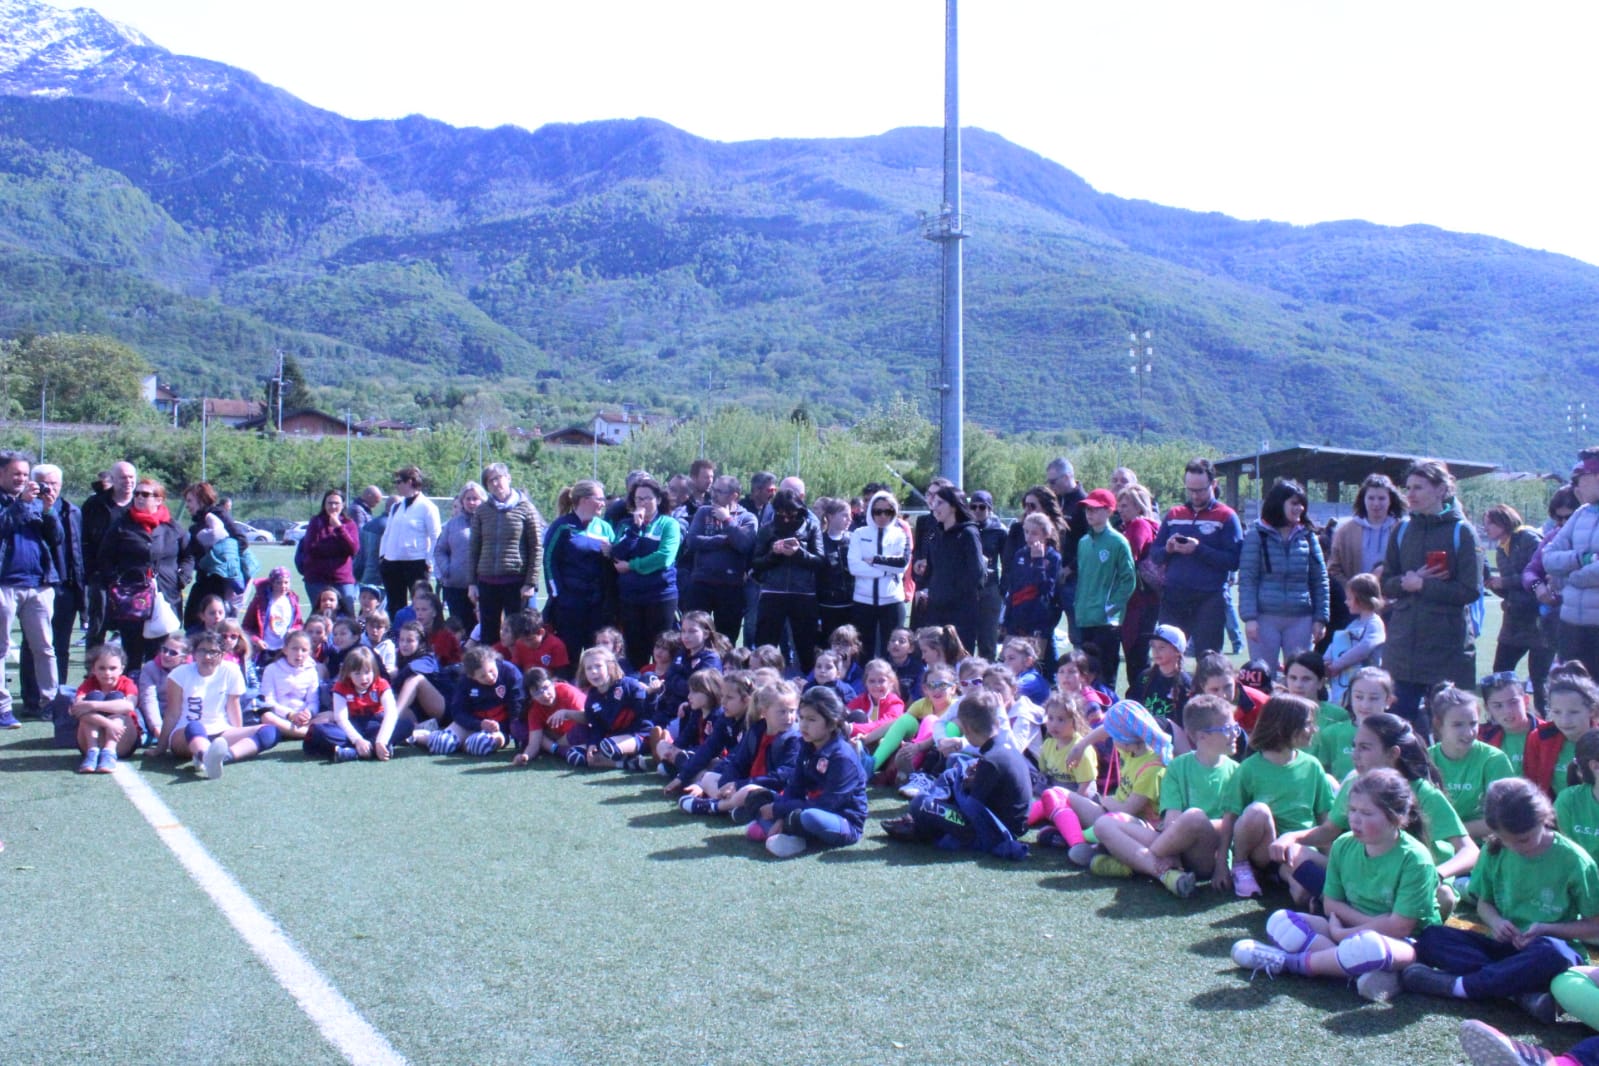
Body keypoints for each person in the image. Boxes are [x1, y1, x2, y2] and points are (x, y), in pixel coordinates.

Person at [1229, 767, 1440, 1002]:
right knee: (1280, 921)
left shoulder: (1415, 859)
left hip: (1405, 943)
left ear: (1396, 818)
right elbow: (1331, 905)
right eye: (1352, 810)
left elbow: (1399, 927)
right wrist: (1346, 933)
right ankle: (1361, 969)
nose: (1355, 820)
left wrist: (1344, 933)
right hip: (1346, 930)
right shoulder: (1343, 844)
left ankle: (1289, 963)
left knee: (1372, 947)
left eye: (1367, 813)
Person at [1404, 777, 1599, 1024]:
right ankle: (1520, 994)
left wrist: (1546, 929)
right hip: (1506, 949)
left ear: (1543, 819)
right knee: (1433, 936)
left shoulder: (1574, 861)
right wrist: (1496, 922)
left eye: (1524, 839)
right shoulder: (1494, 850)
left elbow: (1594, 926)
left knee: (1554, 953)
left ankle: (1461, 986)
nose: (1516, 847)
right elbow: (1484, 904)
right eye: (1507, 839)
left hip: (1547, 950)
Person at [1090, 694, 1240, 898]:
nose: (1235, 734)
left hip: (1205, 855)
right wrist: (1174, 846)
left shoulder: (1237, 772)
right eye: (1228, 729)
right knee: (1103, 824)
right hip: (1171, 844)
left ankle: (1132, 860)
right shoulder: (1177, 766)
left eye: (1235, 727)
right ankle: (1166, 874)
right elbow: (1171, 821)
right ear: (1202, 736)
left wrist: (1221, 862)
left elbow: (1233, 824)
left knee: (1194, 817)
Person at [1380, 460, 1484, 741]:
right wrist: (1405, 583)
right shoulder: (1402, 530)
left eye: (1418, 487)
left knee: (1449, 732)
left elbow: (1470, 590)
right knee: (1397, 731)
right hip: (1402, 651)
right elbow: (1385, 583)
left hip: (1447, 651)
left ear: (1440, 490)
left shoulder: (1461, 531)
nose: (1410, 494)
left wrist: (1423, 585)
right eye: (1408, 488)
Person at [881, 688, 1031, 857]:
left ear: (967, 729)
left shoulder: (992, 760)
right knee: (954, 770)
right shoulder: (1002, 745)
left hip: (993, 830)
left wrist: (964, 786)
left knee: (921, 804)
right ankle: (922, 823)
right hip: (1002, 818)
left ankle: (919, 827)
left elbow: (973, 810)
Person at [1216, 694, 1332, 898]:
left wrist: (1330, 861)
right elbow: (1230, 819)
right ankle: (1242, 868)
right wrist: (1221, 864)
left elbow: (1325, 820)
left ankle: (1304, 894)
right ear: (1284, 726)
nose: (1314, 729)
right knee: (1258, 811)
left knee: (1302, 893)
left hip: (1298, 849)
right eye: (1307, 724)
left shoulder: (1312, 766)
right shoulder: (1249, 768)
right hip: (1265, 851)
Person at [744, 685, 869, 858]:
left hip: (841, 821)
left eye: (811, 719)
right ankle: (784, 831)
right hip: (805, 808)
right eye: (801, 717)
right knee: (756, 797)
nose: (803, 724)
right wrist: (779, 812)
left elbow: (827, 805)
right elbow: (795, 788)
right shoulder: (807, 745)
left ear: (831, 723)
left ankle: (784, 833)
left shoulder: (842, 757)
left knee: (810, 817)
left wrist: (780, 810)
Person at [1151, 458, 1243, 657]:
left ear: (1214, 484)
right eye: (1190, 490)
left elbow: (1233, 560)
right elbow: (1155, 555)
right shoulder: (1174, 514)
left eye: (1200, 490)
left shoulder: (1226, 516)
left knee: (1208, 659)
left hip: (1209, 598)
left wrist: (1199, 549)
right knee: (1167, 657)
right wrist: (1168, 549)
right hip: (1174, 597)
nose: (1195, 495)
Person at [156, 632, 279, 780]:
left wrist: (238, 732)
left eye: (213, 652)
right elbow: (172, 713)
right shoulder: (179, 674)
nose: (207, 657)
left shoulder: (231, 670)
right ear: (194, 654)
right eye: (202, 651)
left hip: (220, 731)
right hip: (185, 734)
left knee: (270, 732)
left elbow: (233, 706)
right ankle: (205, 755)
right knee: (195, 726)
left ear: (222, 655)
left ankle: (223, 757)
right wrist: (161, 747)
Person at [97, 477, 190, 672]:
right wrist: (115, 582)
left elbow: (188, 555)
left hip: (164, 596)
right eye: (137, 493)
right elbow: (104, 558)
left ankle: (157, 689)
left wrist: (182, 578)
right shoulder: (122, 525)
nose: (139, 497)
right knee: (132, 652)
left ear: (159, 500)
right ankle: (132, 687)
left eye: (145, 494)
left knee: (160, 653)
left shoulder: (172, 527)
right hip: (131, 598)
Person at [1238, 479, 1330, 673]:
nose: (1300, 508)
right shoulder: (1257, 535)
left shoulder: (1308, 536)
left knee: (1300, 674)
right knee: (1263, 675)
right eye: (1294, 503)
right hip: (1265, 618)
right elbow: (1247, 579)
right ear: (1279, 503)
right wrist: (1250, 618)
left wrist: (1320, 618)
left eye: (1301, 504)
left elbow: (1320, 580)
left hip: (1301, 618)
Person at [0, 450, 61, 730]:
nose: (22, 479)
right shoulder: (18, 502)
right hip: (5, 584)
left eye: (25, 474)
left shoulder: (35, 502)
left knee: (45, 648)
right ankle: (3, 707)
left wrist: (48, 510)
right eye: (16, 474)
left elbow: (56, 538)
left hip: (38, 585)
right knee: (1, 649)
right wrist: (21, 504)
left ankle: (51, 703)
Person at [21, 464, 81, 718]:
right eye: (44, 483)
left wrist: (80, 586)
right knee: (33, 645)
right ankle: (32, 699)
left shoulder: (71, 510)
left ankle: (59, 698)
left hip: (65, 585)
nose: (49, 489)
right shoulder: (25, 507)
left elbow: (74, 548)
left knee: (61, 646)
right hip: (37, 583)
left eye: (54, 484)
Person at [1484, 503, 1552, 711]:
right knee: (1500, 672)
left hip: (1539, 621)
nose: (1486, 529)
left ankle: (1546, 720)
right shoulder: (1501, 550)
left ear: (1503, 521)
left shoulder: (1528, 538)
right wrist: (1493, 585)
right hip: (1514, 622)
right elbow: (1512, 591)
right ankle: (1501, 716)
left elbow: (1538, 575)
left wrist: (1504, 582)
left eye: (1490, 524)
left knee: (1539, 678)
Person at [610, 476, 682, 671]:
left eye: (648, 498)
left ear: (658, 499)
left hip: (660, 596)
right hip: (631, 598)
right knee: (634, 652)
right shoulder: (626, 525)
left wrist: (632, 565)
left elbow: (664, 557)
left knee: (663, 650)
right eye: (638, 498)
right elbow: (616, 554)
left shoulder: (669, 524)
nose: (643, 503)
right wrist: (635, 529)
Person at [469, 463, 541, 649]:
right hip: (487, 582)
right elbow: (474, 548)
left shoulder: (526, 508)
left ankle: (516, 667)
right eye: (489, 481)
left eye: (498, 478)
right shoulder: (482, 511)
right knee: (489, 634)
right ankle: (489, 666)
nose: (495, 483)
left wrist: (530, 583)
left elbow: (536, 547)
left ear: (508, 478)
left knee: (519, 634)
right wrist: (472, 583)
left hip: (516, 583)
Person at [752, 488, 824, 671]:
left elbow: (819, 561)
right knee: (765, 645)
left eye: (790, 514)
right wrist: (774, 554)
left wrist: (798, 553)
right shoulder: (767, 529)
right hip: (772, 592)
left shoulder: (811, 527)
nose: (785, 519)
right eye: (780, 514)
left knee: (806, 646)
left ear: (799, 510)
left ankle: (810, 681)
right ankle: (763, 680)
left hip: (803, 593)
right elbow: (756, 563)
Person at [1430, 683, 1514, 839]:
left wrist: (1448, 832)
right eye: (1457, 725)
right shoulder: (1427, 760)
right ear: (1438, 724)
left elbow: (1503, 818)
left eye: (1473, 723)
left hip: (1481, 845)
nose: (1468, 732)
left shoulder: (1494, 759)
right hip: (1434, 843)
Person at [681, 475, 757, 641]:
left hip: (731, 586)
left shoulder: (747, 518)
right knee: (693, 633)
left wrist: (728, 520)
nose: (713, 494)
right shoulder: (703, 512)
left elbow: (744, 544)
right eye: (713, 490)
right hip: (701, 582)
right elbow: (692, 541)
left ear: (734, 495)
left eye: (719, 491)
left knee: (726, 638)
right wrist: (724, 540)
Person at [543, 480, 614, 656]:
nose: (603, 504)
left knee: (597, 655)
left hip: (597, 604)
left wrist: (611, 552)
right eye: (599, 499)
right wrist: (558, 594)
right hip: (570, 603)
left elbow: (617, 560)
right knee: (570, 655)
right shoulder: (562, 526)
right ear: (584, 500)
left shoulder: (604, 527)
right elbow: (549, 560)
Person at [1074, 488, 1136, 688]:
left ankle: (1107, 708)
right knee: (1084, 675)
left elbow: (1128, 579)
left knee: (1104, 675)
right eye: (1087, 509)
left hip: (1106, 620)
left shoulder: (1118, 541)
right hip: (1084, 617)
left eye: (1095, 509)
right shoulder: (1083, 542)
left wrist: (1112, 607)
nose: (1089, 513)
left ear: (1109, 511)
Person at [308, 646, 412, 762]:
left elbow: (391, 714)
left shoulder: (381, 684)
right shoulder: (340, 687)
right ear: (349, 674)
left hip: (376, 725)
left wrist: (381, 740)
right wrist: (358, 740)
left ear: (374, 670)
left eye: (367, 672)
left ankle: (354, 753)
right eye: (357, 673)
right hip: (353, 725)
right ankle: (373, 749)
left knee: (406, 725)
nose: (363, 678)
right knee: (318, 730)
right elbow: (341, 719)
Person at [80, 460, 136, 652]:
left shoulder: (141, 502)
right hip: (101, 576)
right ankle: (93, 667)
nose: (128, 481)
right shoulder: (95, 504)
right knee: (98, 626)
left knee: (132, 629)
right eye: (123, 477)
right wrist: (91, 571)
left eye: (131, 477)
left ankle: (130, 668)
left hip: (132, 577)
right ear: (113, 479)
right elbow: (83, 538)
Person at [922, 485, 985, 651]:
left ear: (954, 506)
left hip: (960, 611)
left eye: (940, 503)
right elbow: (932, 570)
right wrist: (926, 589)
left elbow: (978, 573)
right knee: (935, 655)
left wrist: (954, 592)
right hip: (936, 608)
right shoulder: (935, 533)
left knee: (958, 657)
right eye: (933, 502)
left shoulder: (968, 533)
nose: (934, 507)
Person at [181, 481, 250, 629]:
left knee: (215, 626)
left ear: (201, 499)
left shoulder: (217, 515)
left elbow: (241, 540)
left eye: (190, 500)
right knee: (192, 621)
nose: (187, 505)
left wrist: (220, 559)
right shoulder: (196, 525)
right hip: (204, 580)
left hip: (221, 583)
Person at [68, 643, 140, 774]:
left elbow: (129, 705)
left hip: (122, 739)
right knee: (94, 696)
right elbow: (76, 709)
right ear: (93, 669)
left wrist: (92, 705)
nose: (107, 673)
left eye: (113, 668)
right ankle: (92, 751)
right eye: (102, 668)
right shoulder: (88, 684)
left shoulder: (127, 683)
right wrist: (108, 724)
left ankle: (109, 752)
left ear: (121, 669)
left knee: (117, 698)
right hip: (91, 741)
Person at [378, 465, 441, 613]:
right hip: (392, 563)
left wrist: (429, 561)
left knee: (421, 605)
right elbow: (387, 534)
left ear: (410, 482)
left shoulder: (428, 507)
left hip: (416, 563)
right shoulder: (396, 506)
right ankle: (396, 629)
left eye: (399, 482)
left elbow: (436, 536)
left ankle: (420, 629)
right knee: (395, 606)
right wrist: (383, 557)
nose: (396, 485)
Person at [1116, 484, 1161, 688]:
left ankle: (1139, 695)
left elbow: (1129, 556)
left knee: (1136, 655)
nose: (1120, 510)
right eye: (1120, 505)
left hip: (1139, 601)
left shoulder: (1139, 525)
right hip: (1146, 599)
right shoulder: (1146, 525)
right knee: (1138, 654)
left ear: (1139, 506)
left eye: (1125, 505)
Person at [1327, 473, 1405, 585]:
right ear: (1363, 499)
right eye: (1371, 498)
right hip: (1354, 594)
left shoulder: (1402, 529)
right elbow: (1333, 569)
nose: (1376, 503)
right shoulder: (1345, 531)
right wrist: (1351, 589)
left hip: (1392, 594)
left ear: (1390, 500)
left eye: (1381, 498)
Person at [295, 489, 359, 617]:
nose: (333, 506)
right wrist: (339, 548)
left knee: (348, 616)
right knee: (319, 617)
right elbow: (311, 548)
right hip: (317, 578)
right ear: (324, 504)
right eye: (329, 503)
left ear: (343, 505)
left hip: (342, 578)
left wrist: (339, 528)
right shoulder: (316, 522)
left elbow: (353, 549)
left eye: (336, 503)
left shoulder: (349, 524)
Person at [434, 480, 485, 635]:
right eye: (468, 498)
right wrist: (447, 569)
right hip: (456, 586)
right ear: (462, 501)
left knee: (481, 629)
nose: (471, 502)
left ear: (482, 500)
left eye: (475, 498)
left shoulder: (489, 522)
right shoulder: (452, 524)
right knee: (458, 630)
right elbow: (440, 550)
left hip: (483, 586)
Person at [968, 490, 1007, 659]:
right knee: (964, 639)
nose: (977, 510)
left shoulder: (999, 530)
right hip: (966, 589)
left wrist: (1002, 589)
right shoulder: (964, 528)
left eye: (982, 507)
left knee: (988, 640)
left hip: (989, 588)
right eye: (973, 507)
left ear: (990, 509)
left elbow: (1007, 562)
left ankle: (988, 673)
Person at [241, 567, 302, 663]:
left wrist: (294, 630)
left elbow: (299, 623)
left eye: (286, 582)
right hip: (265, 649)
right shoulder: (260, 602)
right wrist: (257, 640)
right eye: (278, 583)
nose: (283, 586)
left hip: (285, 650)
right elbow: (246, 627)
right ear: (272, 583)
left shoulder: (292, 601)